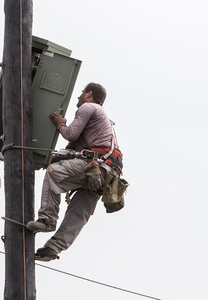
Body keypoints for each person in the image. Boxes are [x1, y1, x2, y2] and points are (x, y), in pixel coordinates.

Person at [26, 82, 123, 261]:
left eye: (81, 92)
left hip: (96, 166)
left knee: (54, 173)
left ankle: (47, 219)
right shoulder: (99, 124)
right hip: (108, 173)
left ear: (89, 94)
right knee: (79, 212)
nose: (79, 96)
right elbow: (69, 151)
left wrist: (60, 124)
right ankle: (53, 248)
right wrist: (42, 161)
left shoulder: (89, 107)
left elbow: (70, 134)